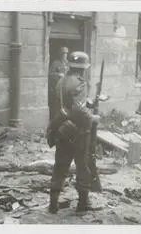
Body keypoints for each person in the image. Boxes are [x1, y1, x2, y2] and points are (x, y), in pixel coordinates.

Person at [48, 51, 101, 214]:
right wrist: (93, 117)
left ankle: (53, 204)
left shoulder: (60, 81)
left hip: (62, 130)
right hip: (79, 132)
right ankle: (83, 203)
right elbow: (78, 109)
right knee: (82, 166)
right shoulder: (80, 83)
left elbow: (67, 105)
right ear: (83, 69)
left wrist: (88, 102)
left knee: (60, 167)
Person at [48, 46, 70, 121]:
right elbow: (50, 74)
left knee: (66, 103)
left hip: (67, 87)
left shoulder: (69, 64)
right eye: (63, 53)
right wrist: (58, 74)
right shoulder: (55, 63)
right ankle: (56, 119)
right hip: (58, 87)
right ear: (60, 54)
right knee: (57, 104)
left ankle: (66, 119)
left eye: (66, 53)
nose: (64, 55)